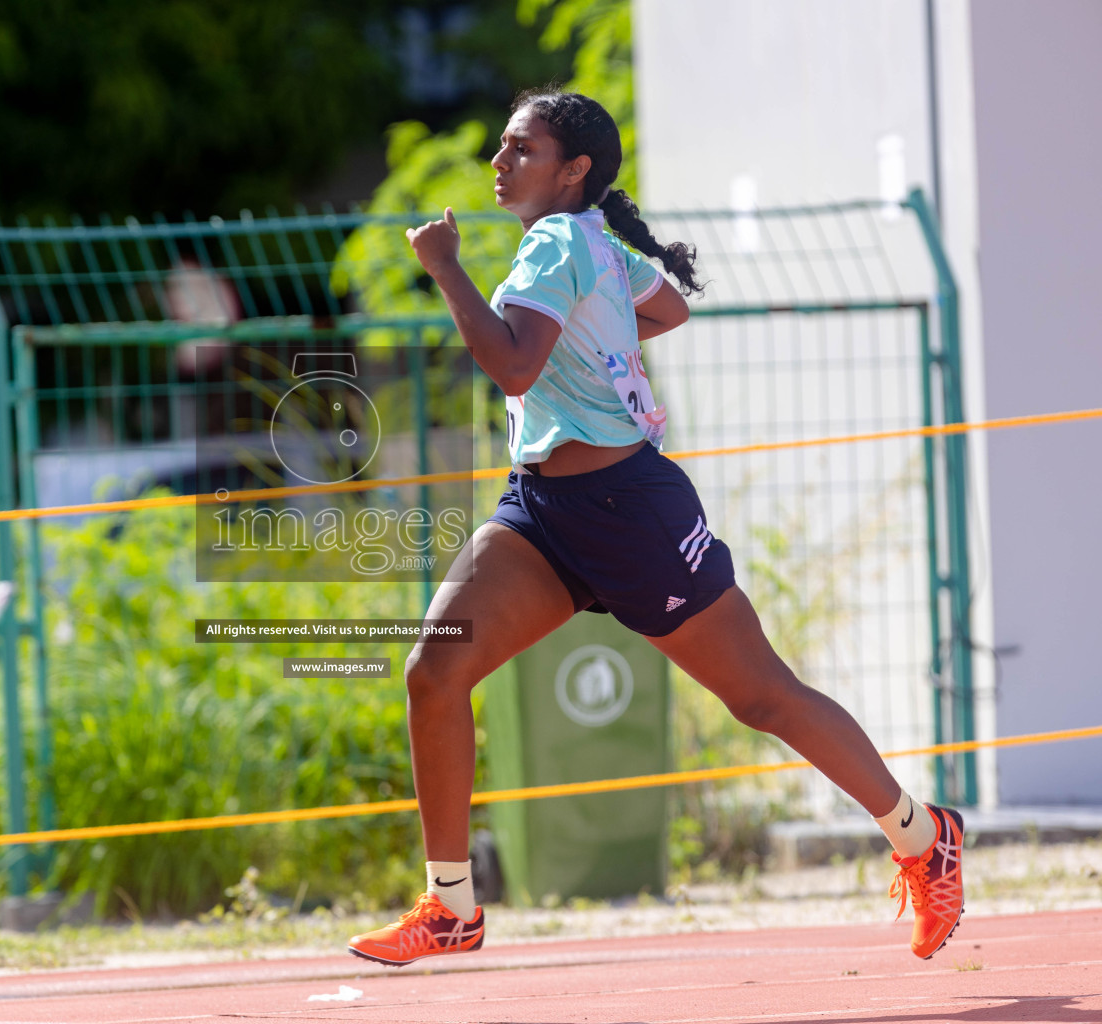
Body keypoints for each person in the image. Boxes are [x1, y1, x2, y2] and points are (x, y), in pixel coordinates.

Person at [346, 90, 964, 968]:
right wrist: (595, 338)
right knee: (435, 670)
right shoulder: (589, 242)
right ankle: (453, 908)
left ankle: (922, 835)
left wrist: (446, 268)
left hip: (628, 512)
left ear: (574, 170)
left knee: (762, 697)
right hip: (543, 513)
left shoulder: (560, 241)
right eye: (502, 148)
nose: (499, 162)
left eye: (520, 148)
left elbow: (515, 365)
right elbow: (667, 308)